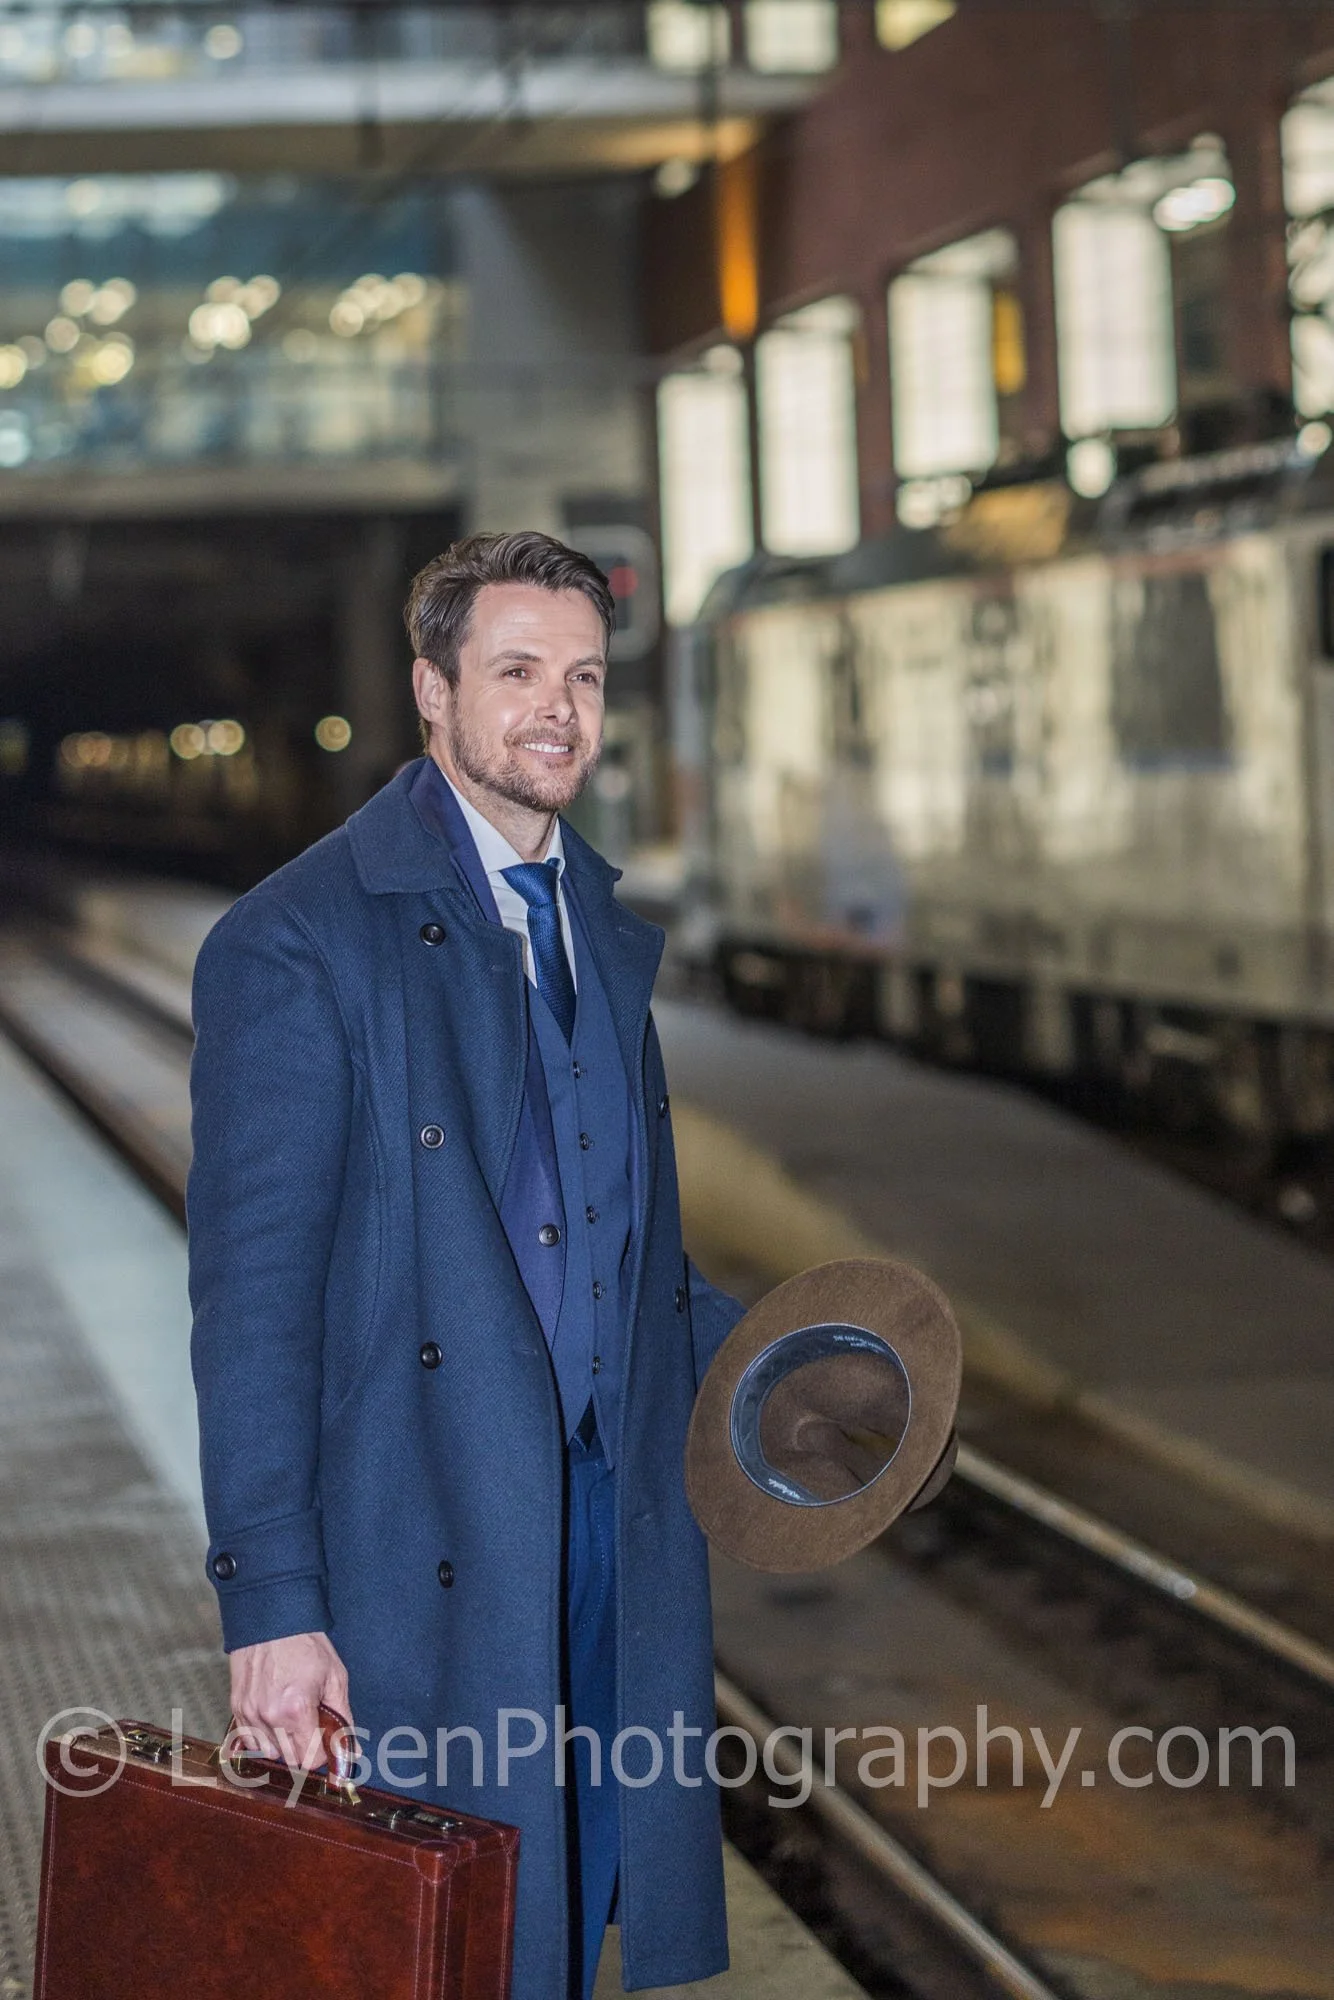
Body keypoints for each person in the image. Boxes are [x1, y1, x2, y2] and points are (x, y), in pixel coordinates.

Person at [187, 531, 745, 2000]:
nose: (556, 708)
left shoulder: (592, 927)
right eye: (515, 672)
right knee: (443, 1933)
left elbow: (633, 1257)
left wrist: (805, 1378)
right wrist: (272, 1609)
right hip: (419, 1533)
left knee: (572, 1900)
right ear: (431, 691)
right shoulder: (297, 942)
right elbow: (252, 1305)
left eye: (581, 676)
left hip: (601, 1528)